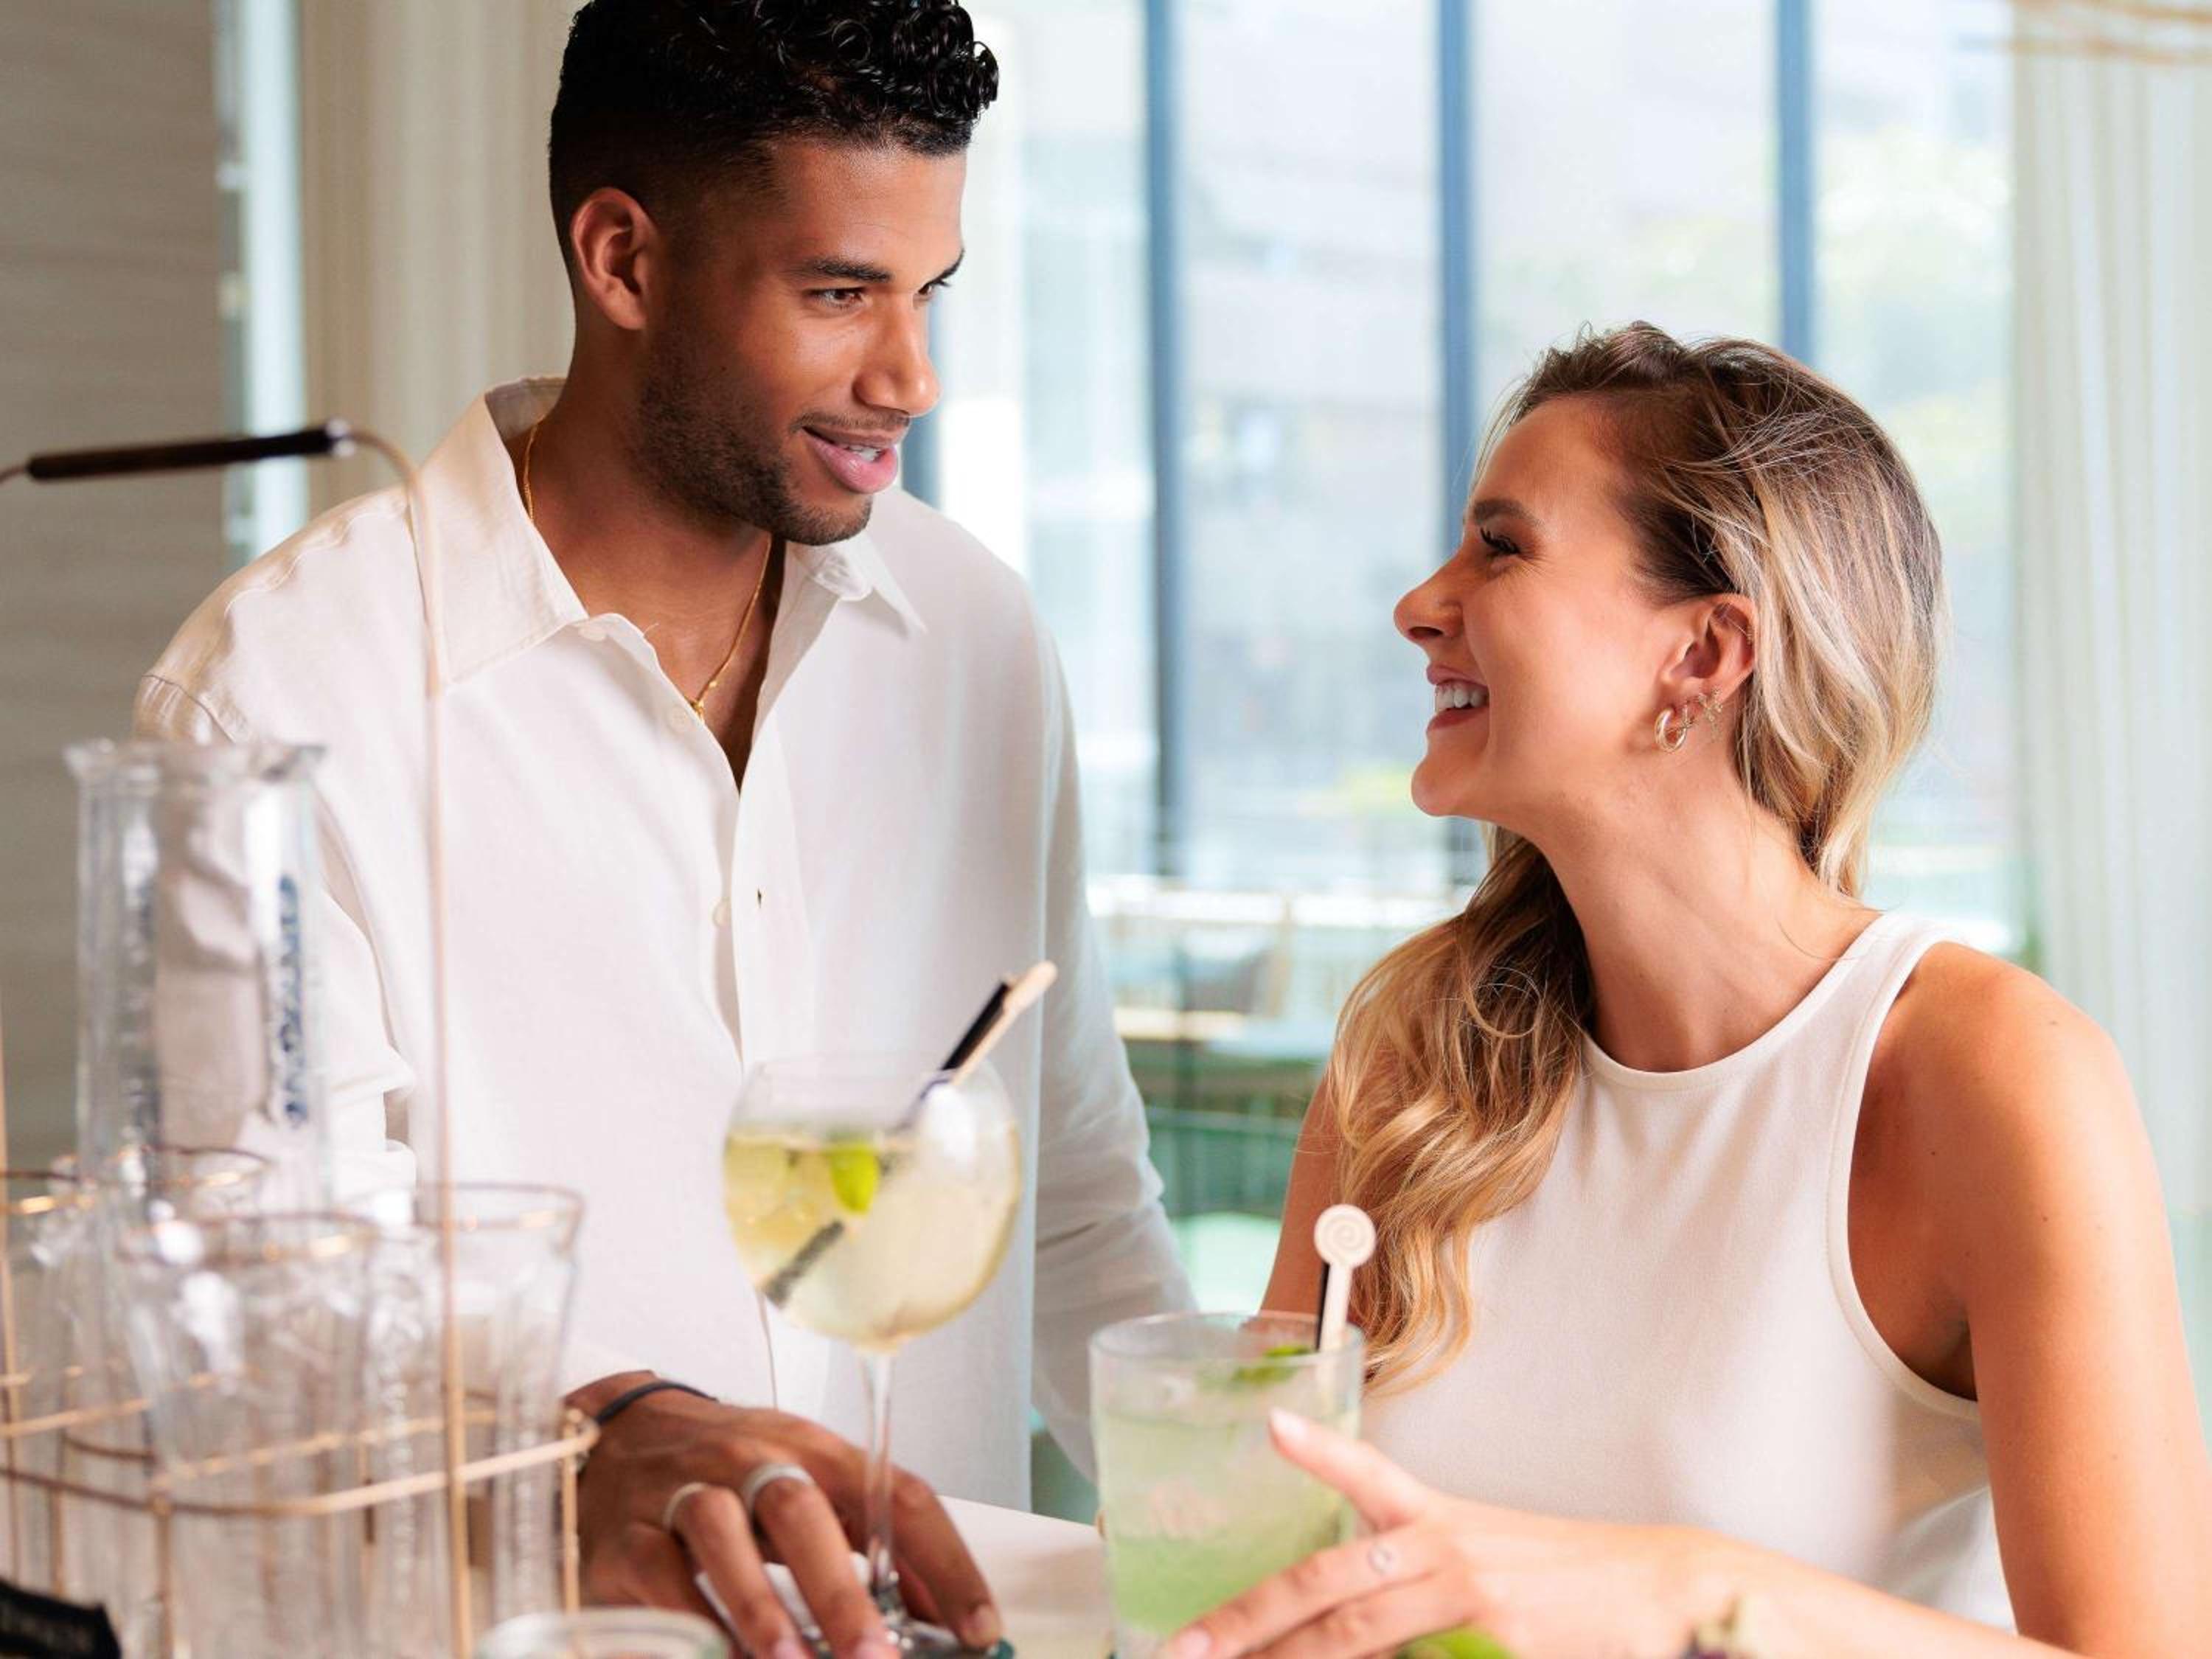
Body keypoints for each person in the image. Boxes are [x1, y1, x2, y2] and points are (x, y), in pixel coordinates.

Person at [135, 3, 1191, 1652]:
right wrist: (586, 1433)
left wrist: (1249, 1533)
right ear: (622, 260)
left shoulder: (979, 639)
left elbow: (1073, 1196)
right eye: (839, 293)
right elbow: (270, 1305)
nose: (909, 376)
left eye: (929, 291)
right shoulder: (275, 698)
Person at [1173, 324, 2212, 1657]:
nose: (1420, 604)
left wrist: (1689, 1592)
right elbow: (1269, 1543)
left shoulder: (1991, 1073)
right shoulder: (1414, 1050)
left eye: (1502, 547)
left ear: (1707, 653)